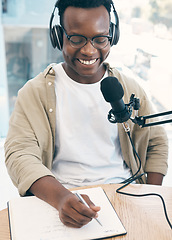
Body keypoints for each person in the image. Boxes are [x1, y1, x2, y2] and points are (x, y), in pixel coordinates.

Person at [5, 0, 168, 228]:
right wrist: (61, 197)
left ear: (112, 35)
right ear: (58, 36)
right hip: (60, 198)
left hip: (125, 193)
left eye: (100, 39)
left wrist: (149, 195)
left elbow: (156, 142)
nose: (89, 50)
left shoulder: (130, 87)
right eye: (76, 38)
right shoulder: (34, 92)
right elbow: (19, 154)